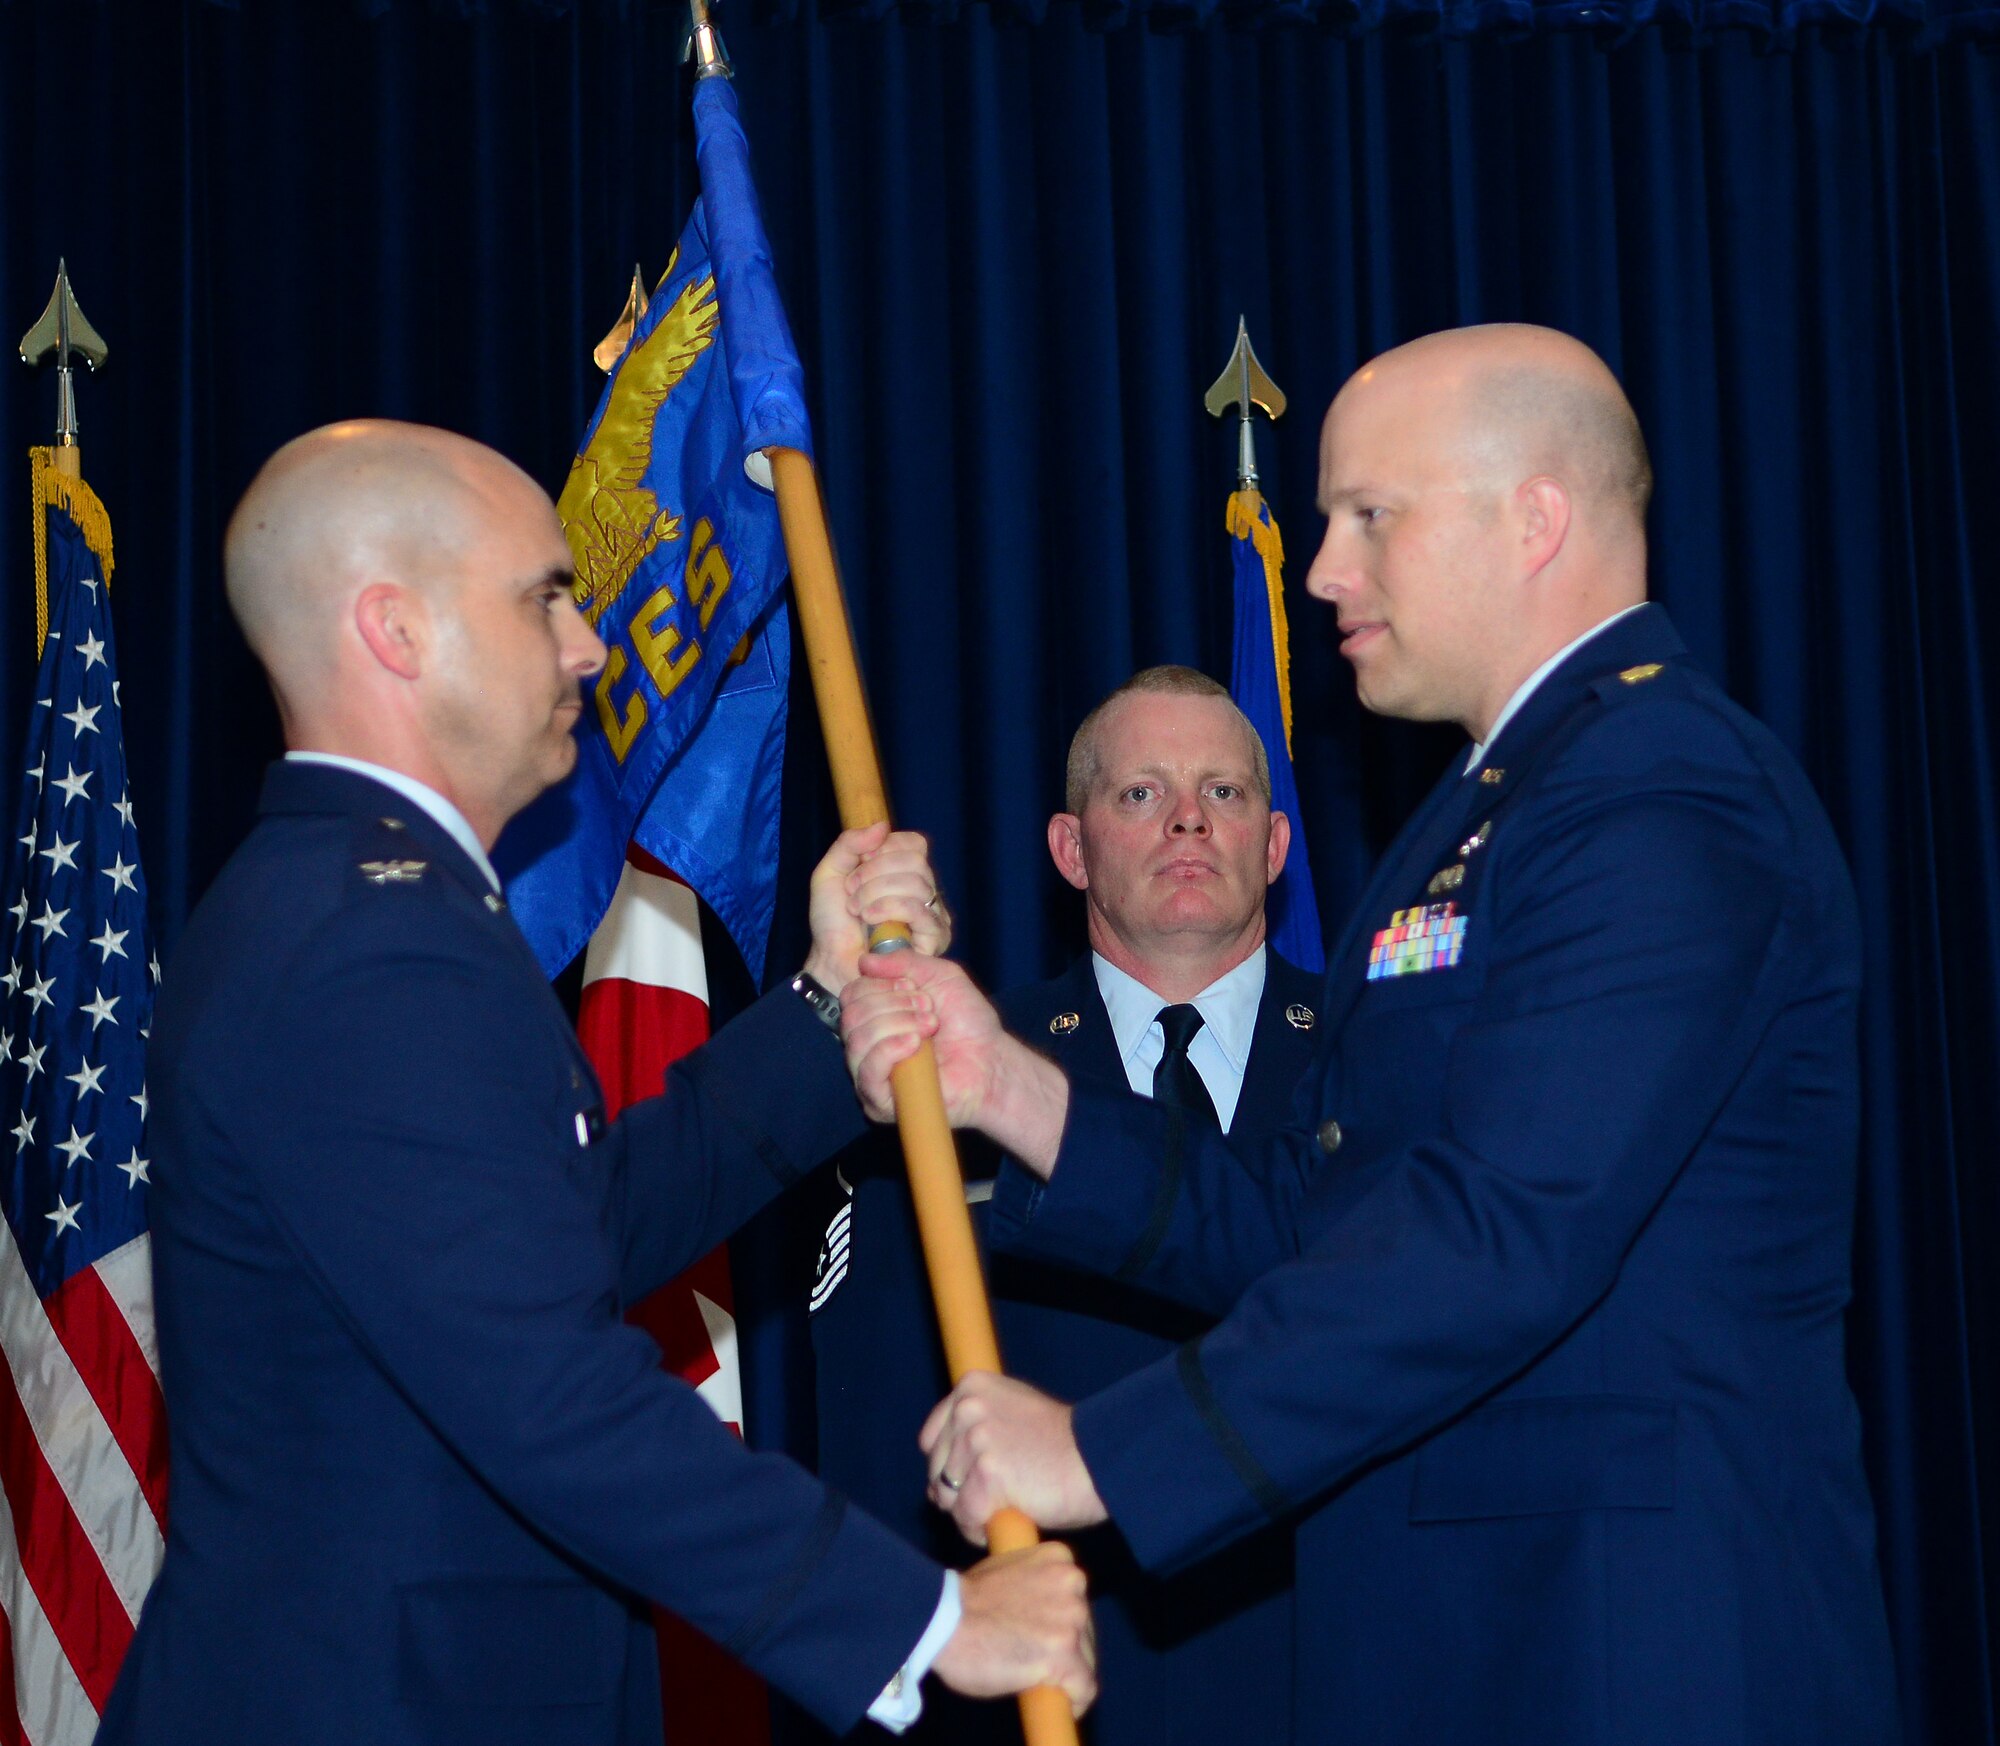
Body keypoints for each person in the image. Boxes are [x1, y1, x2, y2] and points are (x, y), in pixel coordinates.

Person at [842, 327, 1903, 1746]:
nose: (1326, 566)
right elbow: (1326, 1213)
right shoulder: (1490, 807)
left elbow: (1501, 1234)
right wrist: (1013, 1086)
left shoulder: (1664, 796)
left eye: (1369, 517)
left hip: (1619, 1646)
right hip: (1466, 1635)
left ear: (1535, 519)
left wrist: (1103, 1446)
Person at [97, 421, 1094, 1746]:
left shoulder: (367, 905)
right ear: (393, 630)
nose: (589, 644)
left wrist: (820, 1010)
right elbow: (545, 1384)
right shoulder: (366, 940)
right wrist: (932, 1621)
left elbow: (572, 1234)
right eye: (545, 597)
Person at [813, 665, 1314, 1746]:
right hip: (1049, 1687)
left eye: (1223, 793)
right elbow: (877, 1431)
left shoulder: (1375, 1071)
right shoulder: (947, 1073)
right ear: (1069, 850)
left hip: (1326, 1671)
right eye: (1141, 793)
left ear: (1274, 848)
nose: (1187, 816)